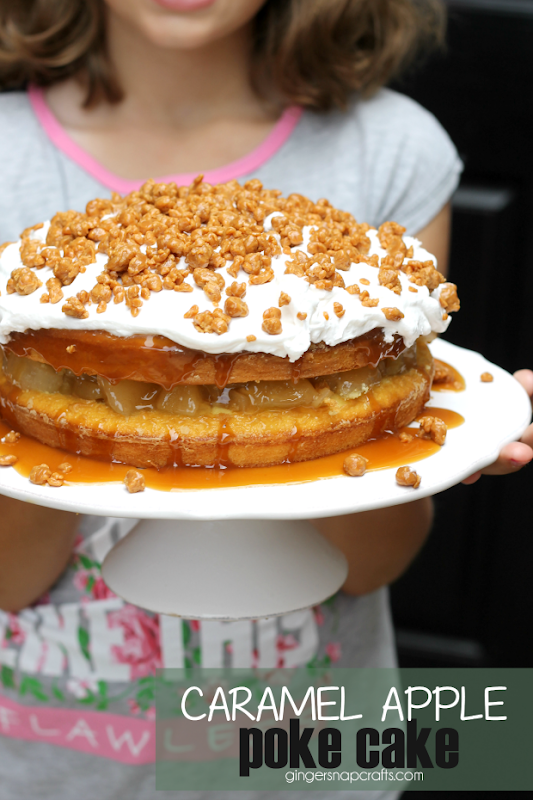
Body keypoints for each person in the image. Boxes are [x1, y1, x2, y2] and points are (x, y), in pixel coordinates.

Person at [0, 1, 531, 799]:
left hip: (313, 749)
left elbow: (374, 561)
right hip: (64, 756)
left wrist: (412, 456)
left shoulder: (390, 150)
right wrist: (72, 415)